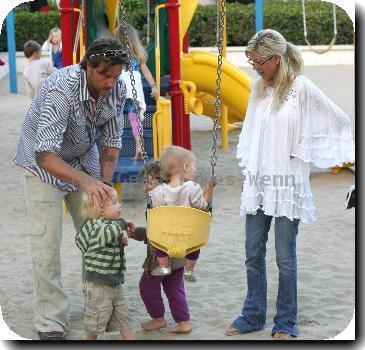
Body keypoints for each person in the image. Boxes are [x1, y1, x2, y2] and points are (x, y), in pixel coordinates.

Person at [224, 29, 355, 339]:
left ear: (277, 58)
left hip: (288, 186)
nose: (254, 68)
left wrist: (304, 149)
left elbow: (339, 120)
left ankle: (285, 321)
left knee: (285, 257)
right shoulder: (258, 88)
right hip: (259, 183)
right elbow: (253, 133)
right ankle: (253, 315)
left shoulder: (302, 88)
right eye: (251, 62)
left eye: (258, 62)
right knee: (252, 253)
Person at [14, 37, 129, 340]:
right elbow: (45, 154)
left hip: (83, 158)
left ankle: (98, 308)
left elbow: (112, 141)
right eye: (105, 75)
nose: (110, 82)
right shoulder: (60, 91)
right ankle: (51, 321)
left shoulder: (117, 88)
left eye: (116, 75)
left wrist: (102, 184)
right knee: (47, 244)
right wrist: (85, 181)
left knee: (100, 235)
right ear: (88, 66)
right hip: (41, 166)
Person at [127, 161, 192, 334]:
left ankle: (158, 318)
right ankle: (183, 322)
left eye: (151, 182)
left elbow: (159, 233)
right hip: (178, 256)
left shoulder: (158, 205)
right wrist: (138, 233)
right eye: (143, 182)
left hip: (161, 258)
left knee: (146, 286)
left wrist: (140, 234)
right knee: (174, 288)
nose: (146, 186)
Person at [148, 146, 217, 282]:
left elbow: (156, 212)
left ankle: (163, 266)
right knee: (194, 247)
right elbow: (203, 207)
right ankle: (189, 270)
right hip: (188, 234)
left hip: (167, 234)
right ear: (186, 167)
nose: (195, 170)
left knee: (158, 243)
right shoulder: (192, 188)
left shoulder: (159, 191)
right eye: (194, 166)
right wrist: (208, 189)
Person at [75, 188, 134, 340]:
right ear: (100, 210)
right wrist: (122, 223)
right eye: (114, 203)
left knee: (123, 318)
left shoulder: (108, 225)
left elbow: (109, 236)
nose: (119, 205)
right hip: (98, 286)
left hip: (114, 283)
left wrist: (120, 239)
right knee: (95, 324)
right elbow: (105, 234)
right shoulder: (96, 225)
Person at [115, 23, 158, 160]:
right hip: (134, 90)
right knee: (134, 118)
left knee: (116, 118)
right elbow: (145, 70)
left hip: (120, 88)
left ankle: (112, 149)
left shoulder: (115, 54)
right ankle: (139, 146)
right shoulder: (137, 53)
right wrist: (154, 86)